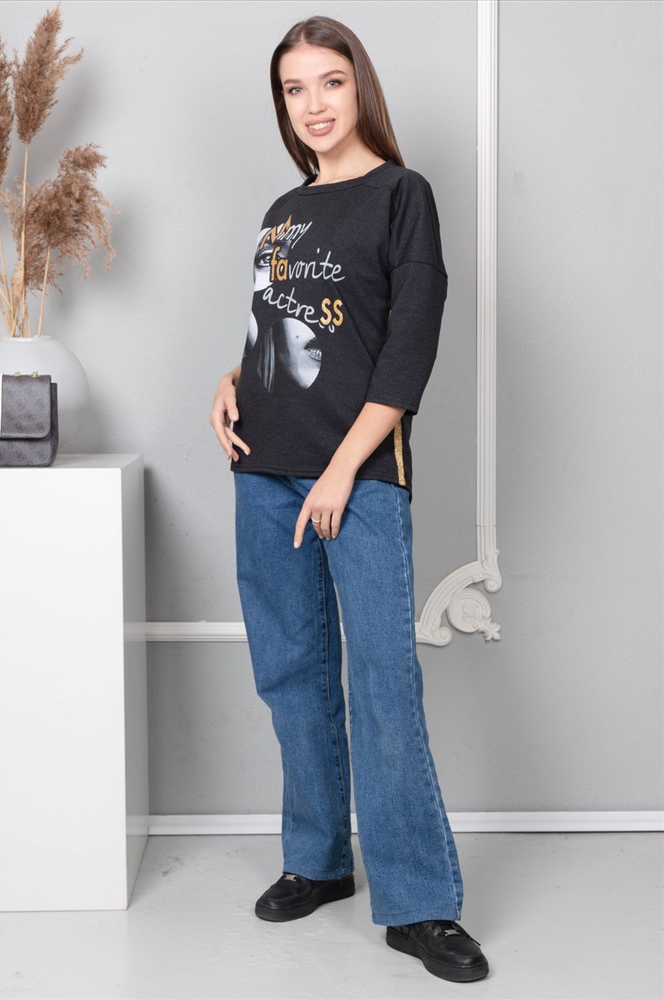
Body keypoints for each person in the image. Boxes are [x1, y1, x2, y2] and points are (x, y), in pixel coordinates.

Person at [209, 16, 489, 984]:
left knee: (381, 684)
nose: (314, 104)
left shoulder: (402, 195)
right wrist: (228, 378)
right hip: (262, 470)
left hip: (356, 477)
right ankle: (319, 860)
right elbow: (279, 324)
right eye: (295, 88)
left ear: (359, 87)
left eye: (330, 82)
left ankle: (419, 905)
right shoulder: (283, 209)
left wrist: (339, 468)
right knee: (290, 675)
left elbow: (406, 347)